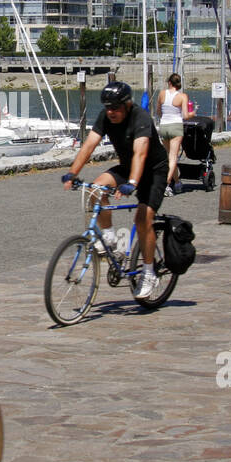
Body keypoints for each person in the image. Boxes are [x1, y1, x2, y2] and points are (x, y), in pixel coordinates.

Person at [60, 80, 168, 300]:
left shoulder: (141, 118)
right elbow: (89, 145)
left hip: (153, 172)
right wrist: (72, 173)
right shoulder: (105, 116)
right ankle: (109, 237)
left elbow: (141, 153)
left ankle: (149, 273)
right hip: (128, 168)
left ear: (127, 104)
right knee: (95, 190)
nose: (111, 112)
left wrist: (132, 183)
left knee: (142, 218)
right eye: (107, 107)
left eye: (115, 107)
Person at [156, 74, 192, 196]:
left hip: (164, 126)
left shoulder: (162, 94)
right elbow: (185, 116)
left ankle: (177, 182)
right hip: (176, 126)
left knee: (168, 156)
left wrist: (165, 117)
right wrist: (193, 113)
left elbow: (158, 111)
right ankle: (165, 185)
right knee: (173, 158)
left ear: (169, 83)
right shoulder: (182, 96)